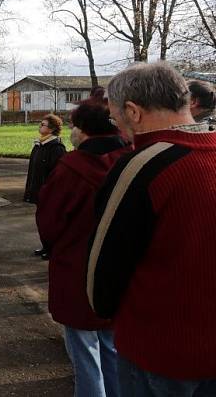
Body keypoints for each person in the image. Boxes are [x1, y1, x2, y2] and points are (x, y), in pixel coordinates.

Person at [87, 62, 216, 395]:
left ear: (133, 111)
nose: (117, 127)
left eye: (115, 118)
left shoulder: (140, 167)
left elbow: (103, 274)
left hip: (162, 351)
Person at [36, 98, 130, 397]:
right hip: (121, 270)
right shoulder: (131, 160)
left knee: (83, 351)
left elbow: (49, 220)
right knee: (114, 347)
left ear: (84, 130)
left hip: (76, 269)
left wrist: (54, 246)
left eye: (74, 125)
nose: (72, 131)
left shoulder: (71, 168)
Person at [24, 113, 66, 259]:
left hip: (50, 191)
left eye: (43, 125)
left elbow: (57, 172)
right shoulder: (39, 145)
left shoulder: (56, 148)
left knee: (50, 221)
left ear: (52, 129)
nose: (40, 127)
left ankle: (52, 248)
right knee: (41, 220)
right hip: (38, 190)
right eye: (41, 124)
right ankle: (45, 246)